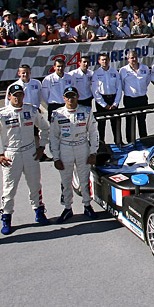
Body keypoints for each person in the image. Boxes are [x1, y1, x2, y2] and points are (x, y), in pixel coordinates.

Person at [0, 83, 51, 234]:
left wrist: (42, 147)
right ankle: (6, 218)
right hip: (11, 155)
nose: (17, 98)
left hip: (30, 152)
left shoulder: (31, 110)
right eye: (14, 95)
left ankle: (39, 212)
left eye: (20, 95)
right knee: (9, 189)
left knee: (35, 185)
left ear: (23, 95)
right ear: (9, 96)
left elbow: (45, 128)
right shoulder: (1, 114)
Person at [50, 87, 98, 223]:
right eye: (68, 96)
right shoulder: (57, 114)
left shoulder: (86, 111)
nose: (70, 99)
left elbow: (93, 132)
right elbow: (53, 137)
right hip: (65, 148)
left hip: (82, 146)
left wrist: (93, 151)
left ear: (78, 96)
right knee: (66, 180)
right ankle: (67, 208)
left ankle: (87, 205)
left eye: (73, 96)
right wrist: (56, 157)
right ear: (64, 98)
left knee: (84, 177)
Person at [92, 52, 123, 146]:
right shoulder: (96, 74)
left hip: (113, 99)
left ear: (109, 60)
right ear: (99, 61)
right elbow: (95, 91)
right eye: (102, 60)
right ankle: (101, 143)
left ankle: (118, 142)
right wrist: (104, 104)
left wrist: (115, 103)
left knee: (116, 123)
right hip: (102, 101)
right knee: (101, 124)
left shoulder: (115, 72)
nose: (104, 62)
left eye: (106, 60)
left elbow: (119, 88)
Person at [120, 50, 151, 141]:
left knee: (142, 120)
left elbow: (147, 81)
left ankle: (144, 139)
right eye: (132, 58)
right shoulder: (123, 70)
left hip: (142, 98)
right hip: (130, 99)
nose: (134, 59)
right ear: (128, 59)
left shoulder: (144, 68)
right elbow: (122, 85)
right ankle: (130, 141)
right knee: (129, 121)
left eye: (135, 57)